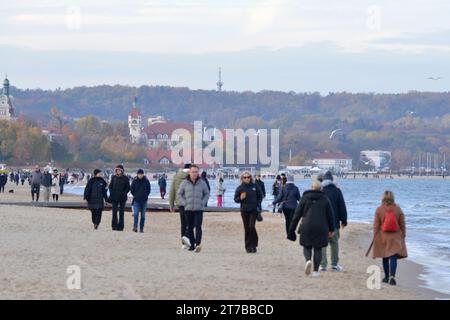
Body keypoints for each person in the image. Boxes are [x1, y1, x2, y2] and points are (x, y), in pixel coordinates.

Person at [288, 180, 335, 277]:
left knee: (307, 246)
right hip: (321, 227)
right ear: (320, 188)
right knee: (318, 248)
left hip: (306, 225)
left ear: (311, 187)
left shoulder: (305, 198)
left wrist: (291, 229)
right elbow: (330, 216)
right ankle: (316, 271)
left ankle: (308, 260)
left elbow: (297, 215)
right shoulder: (325, 199)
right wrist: (331, 229)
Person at [372, 191, 408, 286]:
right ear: (393, 198)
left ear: (382, 198)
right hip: (395, 237)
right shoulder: (398, 209)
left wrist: (375, 235)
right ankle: (392, 277)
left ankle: (386, 277)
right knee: (393, 257)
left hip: (383, 236)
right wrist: (403, 234)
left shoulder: (379, 210)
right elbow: (402, 224)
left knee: (385, 256)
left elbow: (376, 225)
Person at [317, 171, 348, 272]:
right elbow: (342, 206)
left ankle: (323, 265)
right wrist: (344, 220)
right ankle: (334, 264)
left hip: (322, 222)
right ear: (332, 180)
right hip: (334, 222)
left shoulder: (320, 191)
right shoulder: (337, 191)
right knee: (334, 243)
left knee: (322, 243)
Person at [177, 164, 210, 252]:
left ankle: (198, 244)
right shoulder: (184, 182)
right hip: (188, 209)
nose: (194, 174)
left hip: (199, 209)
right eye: (193, 172)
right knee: (190, 227)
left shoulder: (202, 183)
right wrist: (184, 203)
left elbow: (207, 193)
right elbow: (179, 194)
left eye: (196, 172)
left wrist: (203, 202)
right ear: (189, 172)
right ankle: (192, 244)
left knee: (198, 226)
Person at [234, 171, 263, 253]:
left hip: (253, 210)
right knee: (246, 228)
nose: (247, 179)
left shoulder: (255, 186)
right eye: (245, 177)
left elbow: (260, 196)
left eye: (248, 177)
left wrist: (258, 204)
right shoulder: (240, 188)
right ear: (242, 178)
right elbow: (235, 200)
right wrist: (240, 198)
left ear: (251, 178)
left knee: (251, 227)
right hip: (244, 210)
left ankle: (254, 244)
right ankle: (248, 247)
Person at [170, 164, 192, 249]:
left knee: (183, 223)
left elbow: (172, 191)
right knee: (190, 222)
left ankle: (183, 244)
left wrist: (171, 205)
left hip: (180, 203)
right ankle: (187, 238)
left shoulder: (176, 176)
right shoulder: (191, 176)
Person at [108, 164, 130, 231]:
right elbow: (110, 186)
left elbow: (128, 187)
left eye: (119, 170)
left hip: (122, 198)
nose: (118, 171)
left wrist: (124, 193)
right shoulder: (113, 177)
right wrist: (111, 193)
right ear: (115, 171)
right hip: (114, 198)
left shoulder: (125, 178)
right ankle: (114, 226)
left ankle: (120, 227)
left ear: (122, 171)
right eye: (117, 170)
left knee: (121, 213)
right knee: (114, 212)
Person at [130, 169, 151, 233]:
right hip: (136, 200)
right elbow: (132, 190)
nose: (140, 175)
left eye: (141, 174)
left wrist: (145, 195)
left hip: (144, 200)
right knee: (136, 214)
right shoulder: (134, 181)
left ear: (143, 174)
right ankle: (135, 227)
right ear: (137, 174)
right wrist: (136, 195)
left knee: (143, 215)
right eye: (139, 174)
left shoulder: (146, 181)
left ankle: (141, 228)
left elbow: (148, 190)